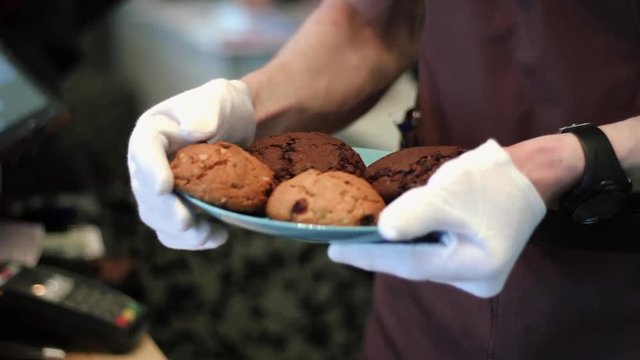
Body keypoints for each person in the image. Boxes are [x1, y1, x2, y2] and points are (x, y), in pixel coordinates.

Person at [127, 1, 640, 358]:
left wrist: (566, 161)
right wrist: (246, 105)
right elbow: (369, 25)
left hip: (615, 304)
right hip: (420, 281)